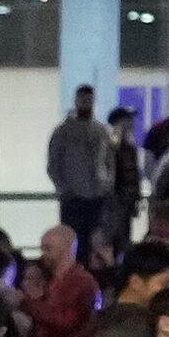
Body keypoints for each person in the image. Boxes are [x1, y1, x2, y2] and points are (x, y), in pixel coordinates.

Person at [49, 91, 117, 245]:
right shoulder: (63, 132)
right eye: (83, 100)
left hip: (97, 198)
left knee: (97, 242)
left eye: (89, 100)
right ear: (76, 101)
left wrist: (107, 186)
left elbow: (110, 162)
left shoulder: (101, 131)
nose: (86, 103)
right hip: (73, 199)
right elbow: (53, 164)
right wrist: (65, 190)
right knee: (73, 243)